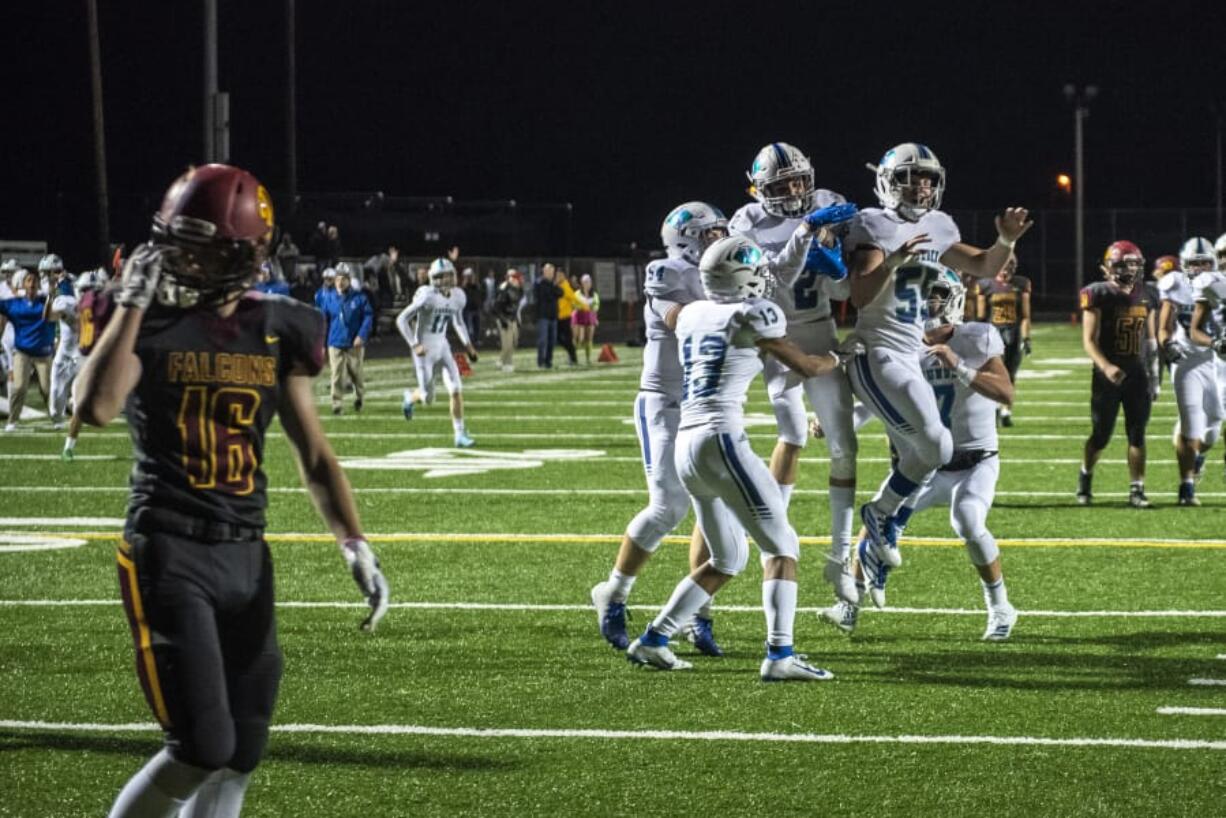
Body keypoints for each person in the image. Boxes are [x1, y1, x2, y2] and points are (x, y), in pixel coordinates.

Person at [73, 163, 388, 818]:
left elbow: (314, 453)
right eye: (173, 241)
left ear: (243, 254)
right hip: (169, 548)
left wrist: (354, 541)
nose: (176, 258)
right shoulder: (147, 317)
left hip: (247, 551)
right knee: (201, 743)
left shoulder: (275, 326)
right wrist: (130, 303)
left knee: (242, 747)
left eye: (196, 245)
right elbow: (95, 407)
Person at [624, 235, 843, 680]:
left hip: (686, 442)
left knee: (728, 559)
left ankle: (654, 638)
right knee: (783, 547)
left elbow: (667, 310)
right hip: (720, 437)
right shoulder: (753, 312)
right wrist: (840, 357)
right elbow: (803, 365)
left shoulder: (690, 314)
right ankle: (780, 655)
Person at [846, 142, 1030, 586]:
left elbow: (984, 264)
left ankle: (880, 517)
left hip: (911, 350)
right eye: (911, 177)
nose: (921, 186)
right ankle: (873, 531)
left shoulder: (939, 225)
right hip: (877, 346)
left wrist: (1005, 239)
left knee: (934, 448)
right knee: (932, 446)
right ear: (889, 181)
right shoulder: (873, 224)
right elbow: (859, 296)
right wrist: (894, 259)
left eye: (928, 178)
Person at [825, 270, 1018, 640]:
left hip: (974, 461)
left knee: (967, 521)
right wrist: (844, 418)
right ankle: (849, 606)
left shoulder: (976, 337)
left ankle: (1001, 608)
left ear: (954, 299)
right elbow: (877, 402)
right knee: (878, 517)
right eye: (922, 295)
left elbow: (1006, 393)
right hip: (926, 465)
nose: (928, 303)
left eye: (936, 295)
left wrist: (957, 365)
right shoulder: (904, 346)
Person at [591, 202, 728, 657]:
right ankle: (613, 592)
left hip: (707, 404)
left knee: (714, 505)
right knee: (669, 505)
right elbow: (682, 322)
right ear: (687, 239)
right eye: (711, 234)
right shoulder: (666, 271)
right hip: (665, 403)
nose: (719, 240)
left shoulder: (722, 267)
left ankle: (698, 613)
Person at [729, 142, 863, 605]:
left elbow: (846, 286)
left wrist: (835, 260)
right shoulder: (746, 222)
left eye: (798, 180)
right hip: (777, 338)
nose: (793, 189)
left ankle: (840, 556)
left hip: (821, 329)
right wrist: (806, 235)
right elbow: (771, 279)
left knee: (845, 446)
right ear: (759, 189)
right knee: (792, 432)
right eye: (781, 184)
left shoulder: (827, 203)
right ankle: (775, 530)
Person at [1076, 241, 1159, 507]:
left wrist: (1155, 376)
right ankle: (1085, 477)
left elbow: (1151, 340)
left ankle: (1137, 488)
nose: (1129, 269)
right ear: (1108, 267)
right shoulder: (1098, 293)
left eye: (1133, 263)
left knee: (1138, 433)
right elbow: (1089, 340)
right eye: (1123, 263)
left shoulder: (1148, 293)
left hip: (1137, 373)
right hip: (1107, 376)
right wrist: (1106, 367)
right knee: (1101, 435)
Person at [1162, 237, 1223, 505]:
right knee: (1192, 424)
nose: (1198, 268)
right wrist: (1167, 344)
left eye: (1204, 263)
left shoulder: (1217, 284)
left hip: (1211, 360)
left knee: (1213, 427)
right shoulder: (1175, 284)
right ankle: (1186, 487)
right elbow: (1165, 325)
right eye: (1194, 263)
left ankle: (1196, 458)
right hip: (1186, 359)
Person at [396, 257, 478, 447]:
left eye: (449, 275)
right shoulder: (427, 295)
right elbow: (401, 319)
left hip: (443, 346)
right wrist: (414, 344)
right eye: (442, 277)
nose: (447, 280)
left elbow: (458, 321)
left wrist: (468, 346)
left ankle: (459, 435)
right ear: (434, 279)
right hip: (424, 351)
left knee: (456, 389)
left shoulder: (458, 296)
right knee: (428, 397)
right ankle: (410, 397)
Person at [975, 255, 1031, 426]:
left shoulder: (1021, 284)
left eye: (1012, 264)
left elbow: (1025, 316)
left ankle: (1006, 410)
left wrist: (1026, 338)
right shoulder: (985, 285)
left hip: (1013, 333)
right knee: (992, 374)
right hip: (993, 332)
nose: (1008, 268)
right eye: (1005, 263)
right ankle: (991, 409)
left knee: (1011, 373)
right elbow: (981, 317)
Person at [61, 267, 110, 460]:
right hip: (86, 360)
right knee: (82, 406)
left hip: (93, 359)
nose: (88, 294)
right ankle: (67, 448)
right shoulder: (93, 307)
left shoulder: (84, 307)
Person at [0, 266, 55, 431]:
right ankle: (12, 421)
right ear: (23, 284)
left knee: (46, 388)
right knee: (18, 387)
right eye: (29, 280)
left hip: (43, 354)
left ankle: (56, 417)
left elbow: (58, 302)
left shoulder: (45, 301)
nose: (32, 284)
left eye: (34, 281)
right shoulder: (14, 304)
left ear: (38, 285)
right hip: (22, 352)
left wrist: (54, 289)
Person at [321, 262, 373, 415]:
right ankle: (336, 403)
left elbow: (368, 316)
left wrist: (361, 335)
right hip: (335, 341)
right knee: (336, 374)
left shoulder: (359, 297)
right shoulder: (329, 298)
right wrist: (321, 342)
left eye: (343, 278)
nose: (340, 282)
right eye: (338, 278)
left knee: (356, 373)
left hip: (354, 343)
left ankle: (359, 397)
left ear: (349, 280)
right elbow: (323, 319)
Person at [39, 254, 81, 429]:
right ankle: (61, 417)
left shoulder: (71, 288)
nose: (44, 277)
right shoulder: (60, 288)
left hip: (82, 348)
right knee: (56, 391)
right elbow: (48, 317)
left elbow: (49, 316)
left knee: (84, 388)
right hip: (66, 348)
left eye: (46, 273)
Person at [493, 269, 525, 372]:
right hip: (504, 318)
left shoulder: (519, 289)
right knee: (507, 343)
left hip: (513, 318)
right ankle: (507, 363)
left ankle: (501, 360)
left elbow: (516, 306)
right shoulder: (504, 289)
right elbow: (496, 308)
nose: (518, 280)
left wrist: (517, 318)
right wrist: (503, 320)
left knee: (515, 341)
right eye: (515, 277)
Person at [533, 263, 562, 369]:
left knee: (552, 340)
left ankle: (548, 362)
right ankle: (540, 362)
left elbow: (561, 293)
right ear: (544, 271)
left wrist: (554, 287)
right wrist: (554, 287)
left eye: (552, 272)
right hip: (543, 316)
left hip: (553, 316)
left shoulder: (553, 284)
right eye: (548, 271)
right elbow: (547, 295)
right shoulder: (539, 282)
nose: (551, 274)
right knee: (542, 340)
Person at [572, 273, 601, 364]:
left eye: (588, 282)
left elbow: (596, 305)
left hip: (590, 317)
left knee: (588, 338)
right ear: (582, 283)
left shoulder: (594, 295)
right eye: (585, 282)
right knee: (577, 338)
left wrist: (593, 309)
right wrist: (581, 307)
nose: (587, 284)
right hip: (578, 316)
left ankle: (588, 358)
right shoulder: (577, 294)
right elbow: (574, 304)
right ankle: (573, 357)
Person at [555, 267, 581, 365]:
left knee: (567, 339)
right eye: (557, 275)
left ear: (564, 276)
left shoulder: (565, 286)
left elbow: (574, 299)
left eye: (560, 275)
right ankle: (572, 355)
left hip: (565, 317)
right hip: (558, 317)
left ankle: (573, 358)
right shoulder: (557, 285)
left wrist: (584, 307)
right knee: (559, 338)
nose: (558, 277)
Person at [461, 267, 482, 345]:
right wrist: (465, 284)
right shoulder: (464, 287)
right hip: (468, 309)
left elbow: (479, 295)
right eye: (469, 276)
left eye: (472, 276)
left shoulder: (476, 286)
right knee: (469, 328)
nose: (471, 278)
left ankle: (476, 341)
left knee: (477, 326)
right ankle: (469, 343)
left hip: (476, 308)